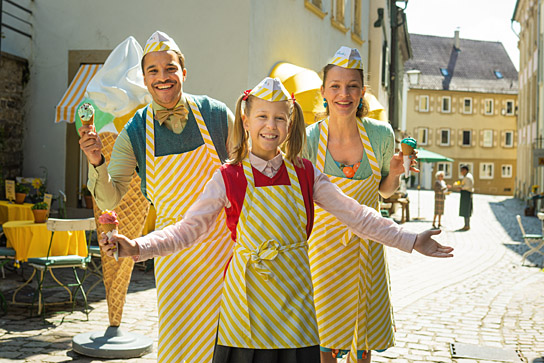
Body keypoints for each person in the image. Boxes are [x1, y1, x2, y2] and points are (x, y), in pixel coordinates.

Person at [99, 77, 453, 363]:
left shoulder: (306, 173)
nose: (271, 125)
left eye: (280, 117)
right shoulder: (229, 176)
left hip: (295, 305)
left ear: (290, 122)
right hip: (245, 305)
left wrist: (410, 239)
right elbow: (186, 231)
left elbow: (358, 215)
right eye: (263, 117)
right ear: (246, 120)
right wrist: (137, 247)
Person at [78, 31, 234, 363]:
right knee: (181, 348)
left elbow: (247, 174)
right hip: (174, 260)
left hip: (226, 256)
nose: (162, 77)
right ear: (145, 77)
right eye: (153, 70)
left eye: (170, 68)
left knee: (227, 346)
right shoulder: (135, 129)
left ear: (183, 73)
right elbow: (109, 197)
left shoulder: (216, 114)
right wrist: (96, 161)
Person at [304, 47, 418, 363]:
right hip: (321, 253)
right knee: (324, 340)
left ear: (363, 91)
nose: (344, 94)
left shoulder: (381, 135)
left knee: (362, 339)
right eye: (336, 86)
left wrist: (395, 172)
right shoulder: (311, 138)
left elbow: (384, 193)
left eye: (352, 85)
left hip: (367, 249)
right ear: (323, 92)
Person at [458, 165, 474, 231]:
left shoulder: (467, 177)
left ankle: (467, 225)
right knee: (467, 210)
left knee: (466, 210)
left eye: (462, 170)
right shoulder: (468, 176)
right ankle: (466, 224)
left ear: (465, 170)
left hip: (466, 194)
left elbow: (467, 186)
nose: (461, 172)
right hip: (467, 194)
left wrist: (461, 187)